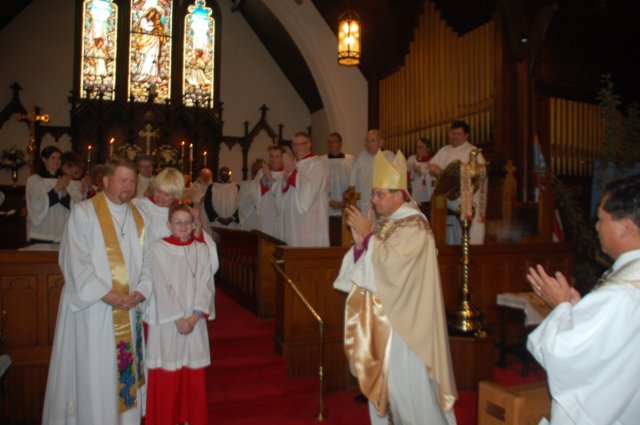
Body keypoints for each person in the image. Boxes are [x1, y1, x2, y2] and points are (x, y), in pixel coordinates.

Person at [334, 150, 457, 425]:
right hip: (388, 324)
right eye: (374, 194)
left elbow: (394, 268)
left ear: (399, 193)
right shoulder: (389, 223)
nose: (374, 200)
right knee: (390, 393)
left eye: (380, 194)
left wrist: (368, 237)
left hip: (408, 331)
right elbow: (374, 264)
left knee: (410, 395)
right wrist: (358, 245)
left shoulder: (415, 225)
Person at [526, 174, 640, 425]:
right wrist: (579, 311)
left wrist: (561, 307)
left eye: (601, 219)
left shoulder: (621, 293)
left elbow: (565, 353)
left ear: (627, 226)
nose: (597, 227)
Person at [42, 158, 149, 424]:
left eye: (132, 181)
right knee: (95, 375)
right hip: (94, 311)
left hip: (128, 310)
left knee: (122, 381)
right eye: (123, 181)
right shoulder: (84, 213)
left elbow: (149, 261)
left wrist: (142, 291)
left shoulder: (139, 217)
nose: (129, 187)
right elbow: (74, 260)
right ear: (105, 181)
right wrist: (109, 295)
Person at [143, 203, 217, 425]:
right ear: (169, 224)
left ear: (194, 224)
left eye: (187, 222)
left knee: (192, 372)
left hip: (194, 321)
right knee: (167, 372)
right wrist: (177, 318)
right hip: (167, 323)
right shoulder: (158, 248)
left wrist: (194, 316)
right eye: (178, 222)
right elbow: (160, 284)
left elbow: (206, 284)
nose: (183, 226)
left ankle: (190, 419)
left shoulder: (201, 249)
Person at [427, 120, 487, 245]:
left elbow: (479, 174)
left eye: (458, 134)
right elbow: (430, 166)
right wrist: (434, 170)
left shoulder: (473, 152)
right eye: (452, 133)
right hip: (445, 198)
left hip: (464, 198)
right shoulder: (445, 150)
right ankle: (445, 249)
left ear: (466, 136)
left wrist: (443, 174)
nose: (454, 137)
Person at [280, 132, 329, 247]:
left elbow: (311, 189)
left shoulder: (318, 163)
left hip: (310, 219)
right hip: (293, 218)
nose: (296, 148)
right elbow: (286, 190)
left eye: (300, 144)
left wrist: (292, 173)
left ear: (309, 145)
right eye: (294, 145)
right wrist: (285, 179)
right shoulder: (295, 163)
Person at [26, 146, 70, 242]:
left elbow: (69, 206)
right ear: (44, 159)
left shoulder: (63, 179)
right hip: (41, 231)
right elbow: (37, 205)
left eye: (59, 158)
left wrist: (64, 191)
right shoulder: (34, 180)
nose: (56, 161)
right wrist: (57, 187)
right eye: (53, 158)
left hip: (60, 230)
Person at [350, 129, 394, 220]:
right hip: (364, 204)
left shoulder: (389, 156)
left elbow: (393, 181)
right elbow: (353, 180)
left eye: (373, 140)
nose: (369, 144)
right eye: (367, 141)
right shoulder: (362, 156)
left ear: (381, 142)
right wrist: (354, 201)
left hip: (382, 204)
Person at [133, 167, 184, 243]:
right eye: (158, 191)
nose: (160, 197)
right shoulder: (139, 204)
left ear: (176, 195)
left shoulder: (181, 214)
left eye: (166, 195)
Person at [253, 145, 286, 240]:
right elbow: (254, 193)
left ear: (282, 158)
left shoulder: (286, 173)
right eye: (271, 156)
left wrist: (270, 179)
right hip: (264, 215)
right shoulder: (261, 172)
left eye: (277, 156)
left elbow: (284, 194)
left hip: (280, 217)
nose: (273, 160)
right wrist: (264, 180)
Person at [322, 132, 354, 216]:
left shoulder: (349, 160)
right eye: (329, 142)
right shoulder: (321, 161)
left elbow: (352, 182)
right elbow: (320, 184)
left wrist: (345, 201)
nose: (331, 144)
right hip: (327, 204)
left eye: (334, 142)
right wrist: (329, 201)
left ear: (340, 143)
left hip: (345, 204)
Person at [406, 137, 434, 215]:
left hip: (429, 201)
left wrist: (423, 174)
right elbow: (405, 180)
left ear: (428, 149)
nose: (419, 149)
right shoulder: (412, 160)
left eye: (422, 147)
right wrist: (414, 172)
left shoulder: (433, 161)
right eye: (418, 147)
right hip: (415, 200)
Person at [237, 159, 262, 230]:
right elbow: (241, 202)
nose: (258, 171)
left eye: (260, 168)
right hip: (250, 218)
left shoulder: (267, 184)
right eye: (256, 168)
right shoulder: (245, 184)